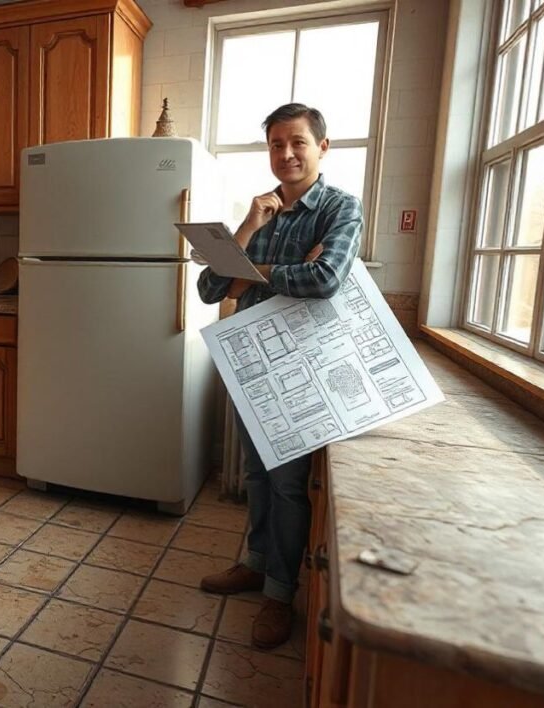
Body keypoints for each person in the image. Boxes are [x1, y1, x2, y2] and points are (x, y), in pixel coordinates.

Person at [195, 103, 362, 649]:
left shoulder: (340, 209)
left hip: (302, 367)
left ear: (322, 148)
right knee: (257, 476)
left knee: (290, 485)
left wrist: (252, 277)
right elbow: (208, 289)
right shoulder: (261, 212)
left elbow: (324, 279)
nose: (286, 154)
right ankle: (254, 563)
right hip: (251, 362)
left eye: (297, 143)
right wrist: (247, 228)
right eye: (275, 144)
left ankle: (278, 594)